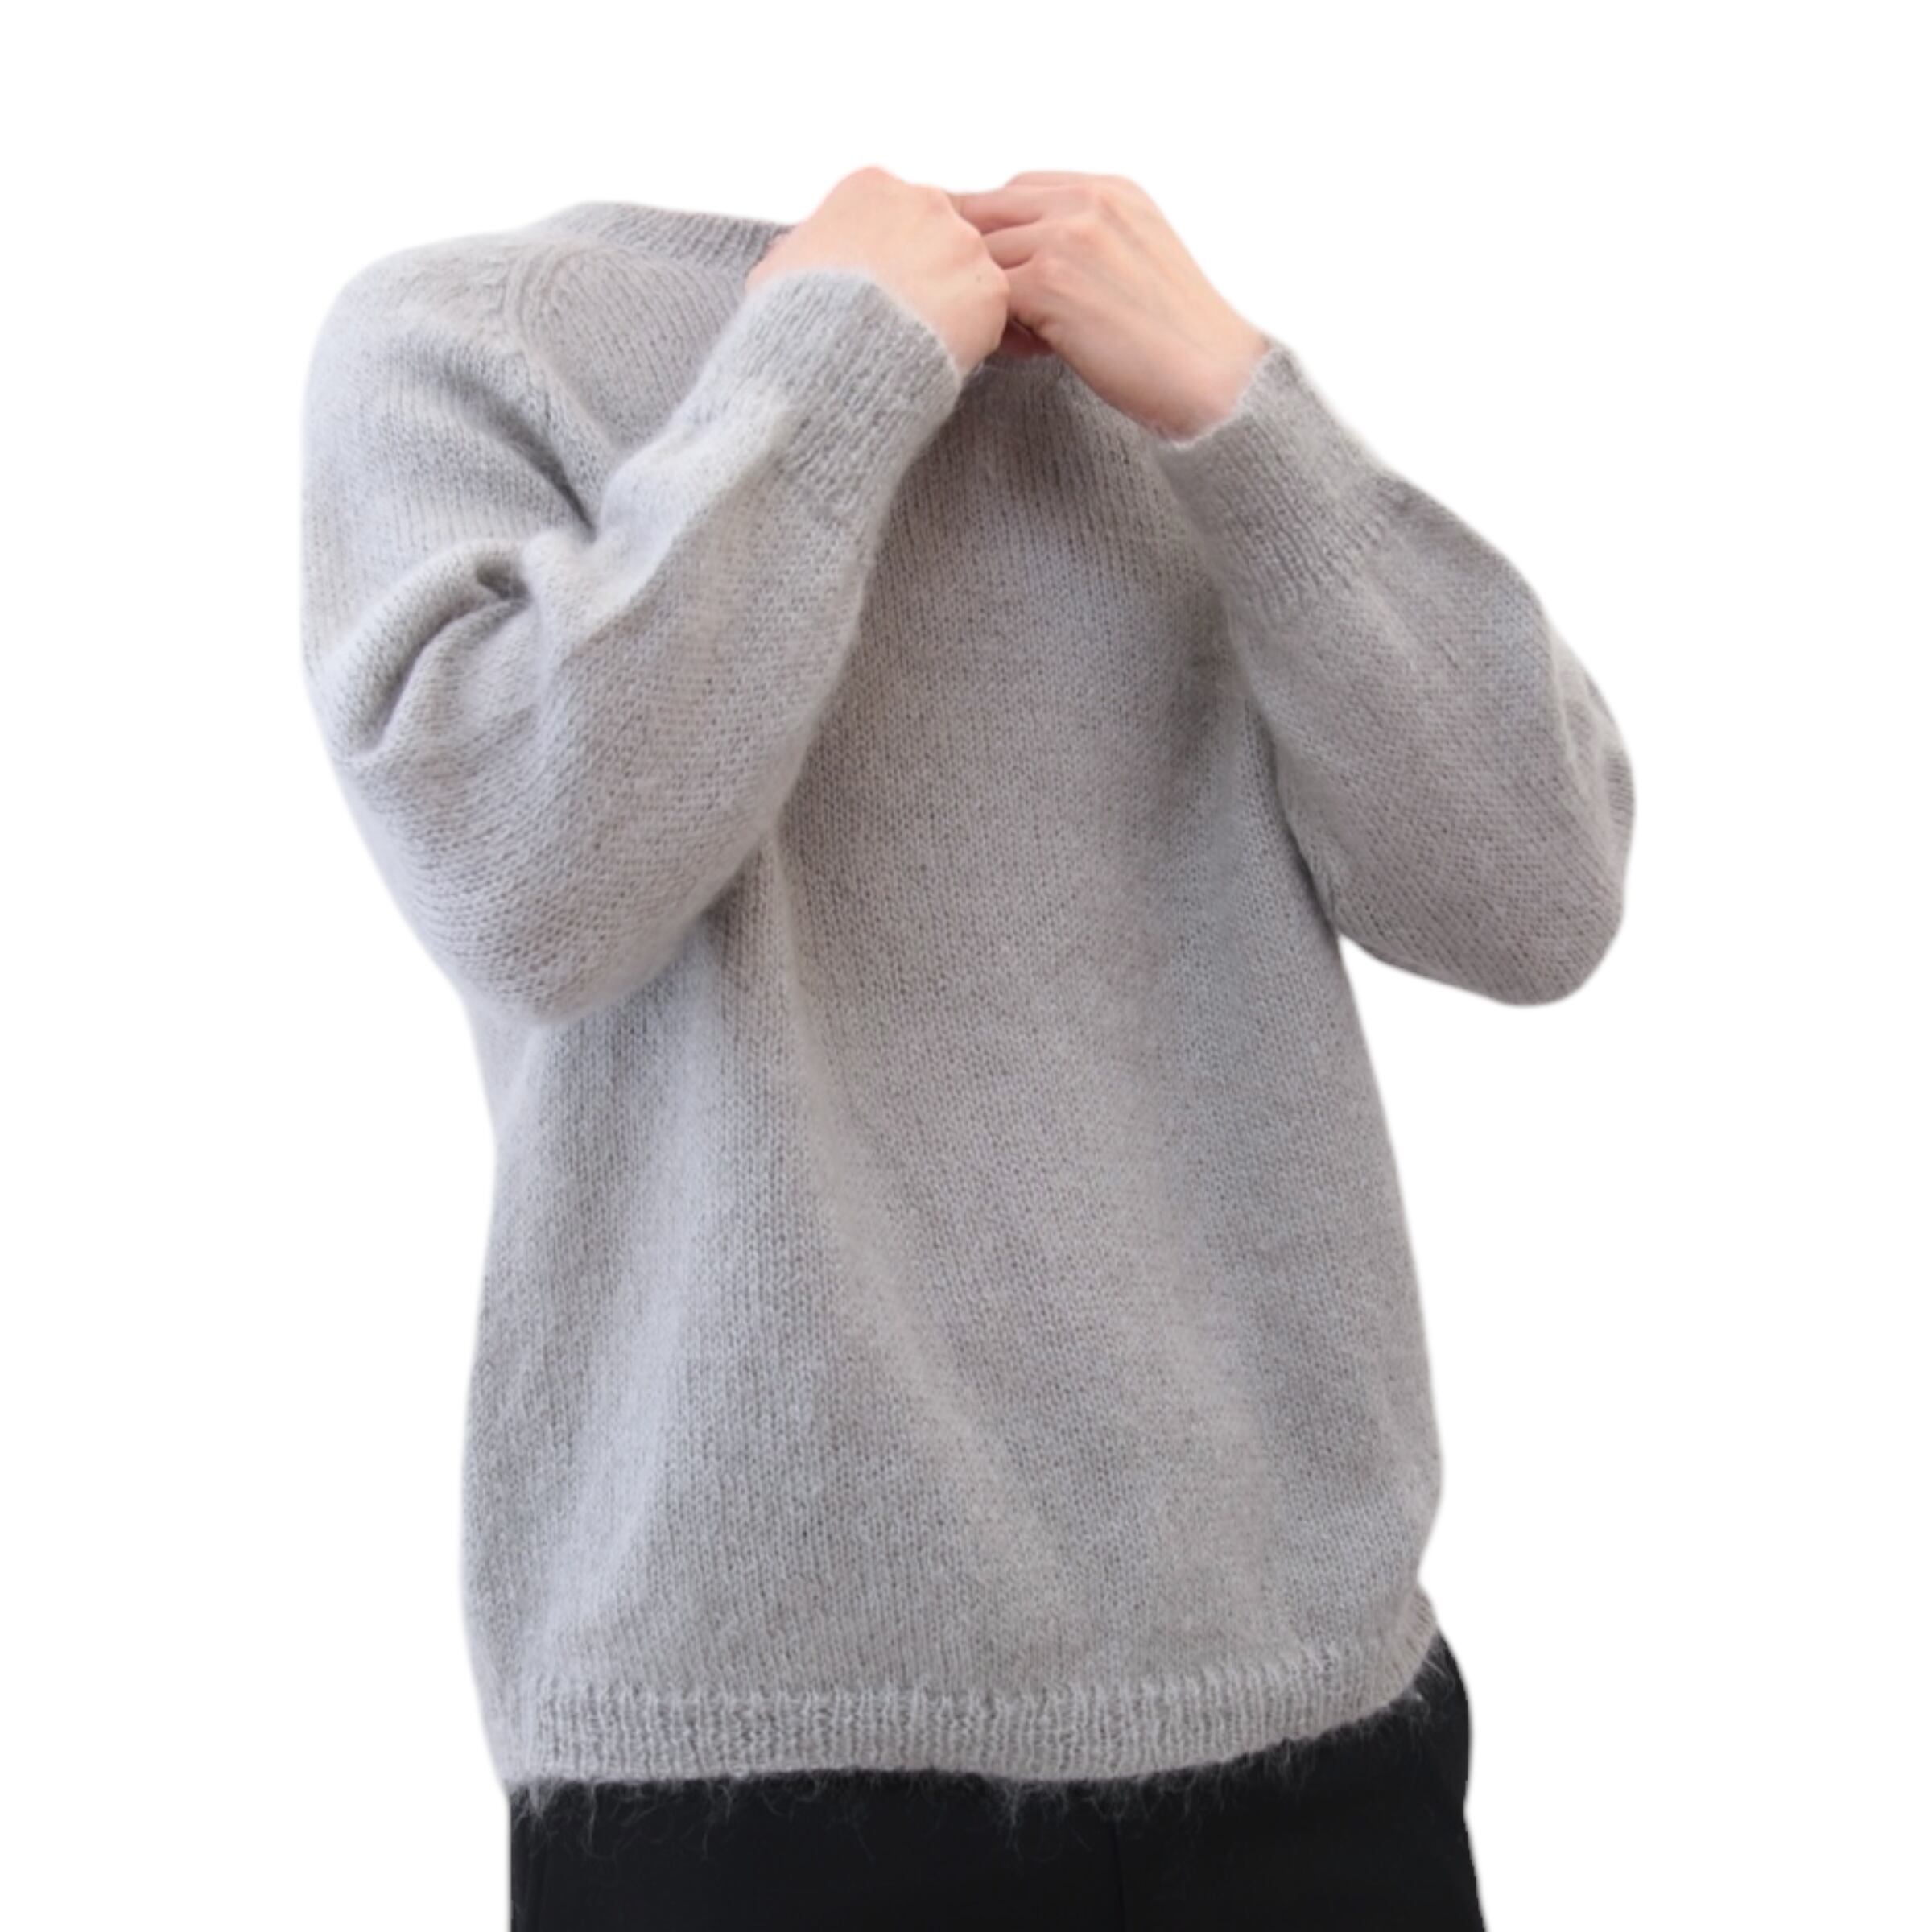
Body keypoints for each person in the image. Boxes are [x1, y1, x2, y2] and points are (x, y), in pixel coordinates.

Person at [298, 164, 1634, 1926]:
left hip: (1309, 1714)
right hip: (742, 1770)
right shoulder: (464, 340)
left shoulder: (1147, 364)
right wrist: (835, 361)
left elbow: (1533, 904)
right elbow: (532, 886)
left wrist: (1242, 410)